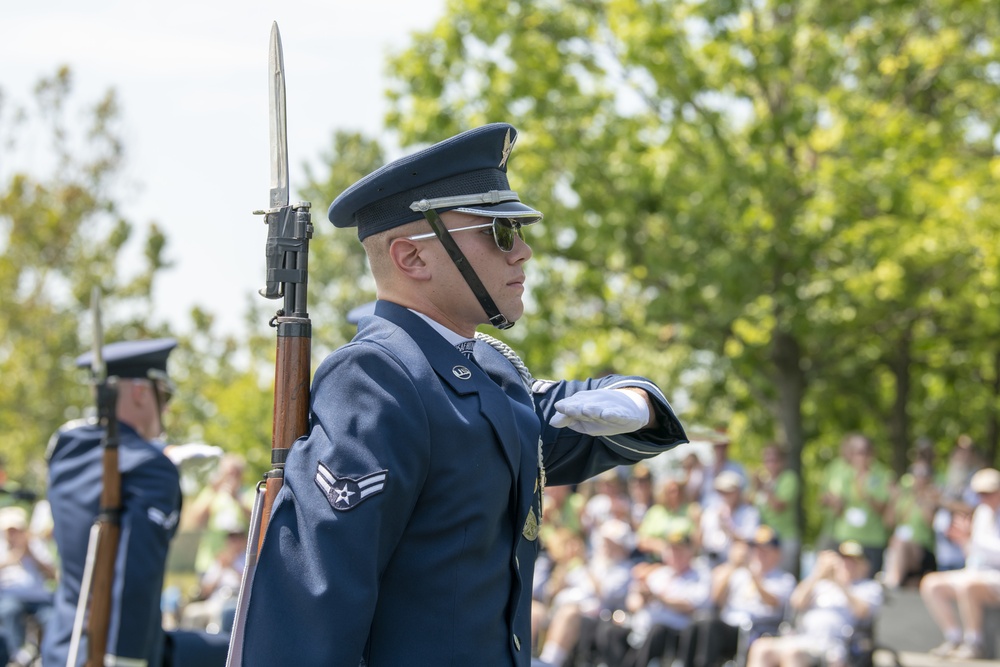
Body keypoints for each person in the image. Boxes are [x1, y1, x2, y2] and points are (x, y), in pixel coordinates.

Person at [236, 123, 688, 666]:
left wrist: (636, 400)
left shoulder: (488, 370)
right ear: (413, 258)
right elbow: (315, 603)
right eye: (498, 233)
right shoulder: (376, 380)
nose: (521, 252)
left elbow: (570, 416)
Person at [43, 338, 230, 667]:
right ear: (142, 392)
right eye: (165, 395)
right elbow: (135, 577)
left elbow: (102, 452)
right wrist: (127, 660)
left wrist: (159, 454)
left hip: (63, 647)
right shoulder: (152, 470)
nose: (167, 408)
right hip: (118, 650)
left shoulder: (67, 451)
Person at [747, 541, 883, 667]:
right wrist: (817, 574)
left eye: (852, 561)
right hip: (802, 637)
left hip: (833, 645)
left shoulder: (868, 588)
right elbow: (796, 602)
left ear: (864, 565)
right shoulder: (821, 584)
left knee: (793, 653)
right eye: (844, 561)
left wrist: (840, 583)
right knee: (760, 648)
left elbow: (863, 612)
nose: (847, 565)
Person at [678, 525, 796, 667]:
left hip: (753, 631)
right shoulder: (740, 574)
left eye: (765, 550)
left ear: (777, 553)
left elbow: (774, 603)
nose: (759, 554)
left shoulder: (784, 579)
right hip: (728, 625)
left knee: (711, 626)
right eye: (757, 549)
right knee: (696, 624)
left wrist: (755, 578)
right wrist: (732, 565)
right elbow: (716, 599)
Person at [920, 467, 1000, 660]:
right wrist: (965, 541)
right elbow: (975, 557)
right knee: (932, 583)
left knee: (968, 585)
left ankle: (974, 643)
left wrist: (974, 541)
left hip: (994, 577)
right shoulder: (981, 513)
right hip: (980, 573)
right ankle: (954, 638)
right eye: (980, 493)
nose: (984, 498)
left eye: (989, 493)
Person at [0, 505, 55, 666]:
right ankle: (16, 654)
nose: (13, 534)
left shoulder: (36, 545)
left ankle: (49, 656)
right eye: (10, 530)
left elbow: (53, 576)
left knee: (52, 617)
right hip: (11, 596)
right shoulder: (2, 547)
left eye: (16, 529)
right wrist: (12, 558)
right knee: (9, 610)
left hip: (39, 598)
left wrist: (31, 555)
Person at [750, 444, 800, 575]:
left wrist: (764, 488)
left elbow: (779, 506)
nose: (770, 464)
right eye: (767, 460)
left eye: (774, 460)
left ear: (782, 462)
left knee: (783, 577)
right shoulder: (764, 481)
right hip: (765, 540)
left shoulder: (789, 478)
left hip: (785, 539)